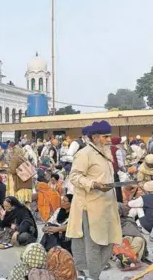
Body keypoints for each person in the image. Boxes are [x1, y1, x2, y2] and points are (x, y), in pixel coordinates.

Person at [66, 120, 122, 280]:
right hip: (90, 207)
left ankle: (92, 273)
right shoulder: (85, 154)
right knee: (93, 244)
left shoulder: (106, 153)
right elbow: (75, 177)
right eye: (106, 136)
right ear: (96, 137)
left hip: (107, 206)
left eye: (110, 136)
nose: (109, 139)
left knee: (109, 241)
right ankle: (92, 276)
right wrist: (94, 184)